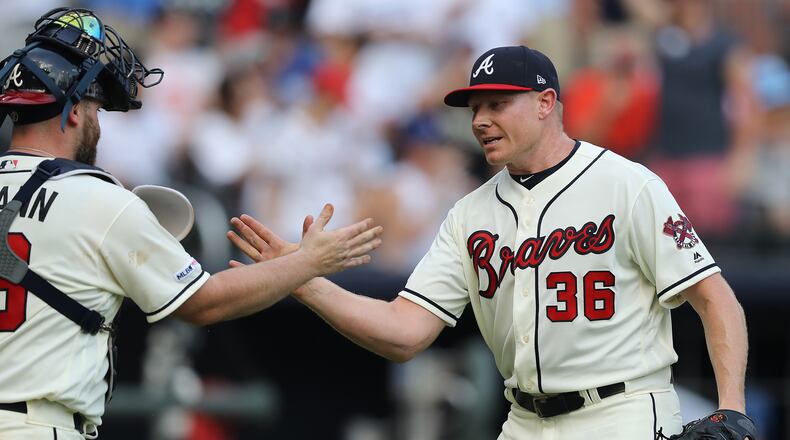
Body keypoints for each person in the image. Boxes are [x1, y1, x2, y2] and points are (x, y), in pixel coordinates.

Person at [229, 45, 757, 439]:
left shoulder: (627, 184)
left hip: (621, 414)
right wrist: (300, 280)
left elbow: (715, 298)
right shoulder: (469, 213)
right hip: (523, 422)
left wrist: (731, 405)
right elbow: (404, 332)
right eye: (475, 107)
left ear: (546, 102)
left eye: (498, 104)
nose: (481, 120)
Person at [0, 8, 382, 440]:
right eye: (96, 107)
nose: (97, 120)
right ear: (73, 111)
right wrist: (309, 260)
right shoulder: (99, 197)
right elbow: (204, 302)